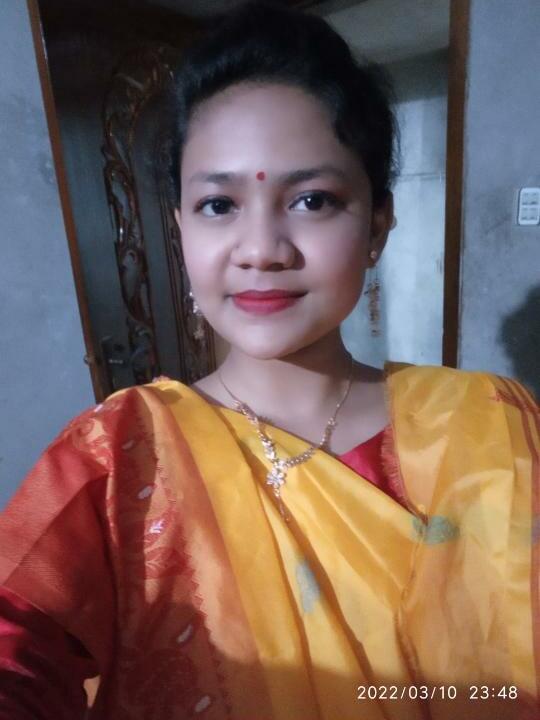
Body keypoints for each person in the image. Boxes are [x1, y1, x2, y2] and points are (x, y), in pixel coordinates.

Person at [0, 2, 539, 718]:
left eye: (312, 200)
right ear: (180, 227)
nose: (261, 249)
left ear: (378, 224)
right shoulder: (120, 458)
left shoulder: (489, 424)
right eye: (218, 205)